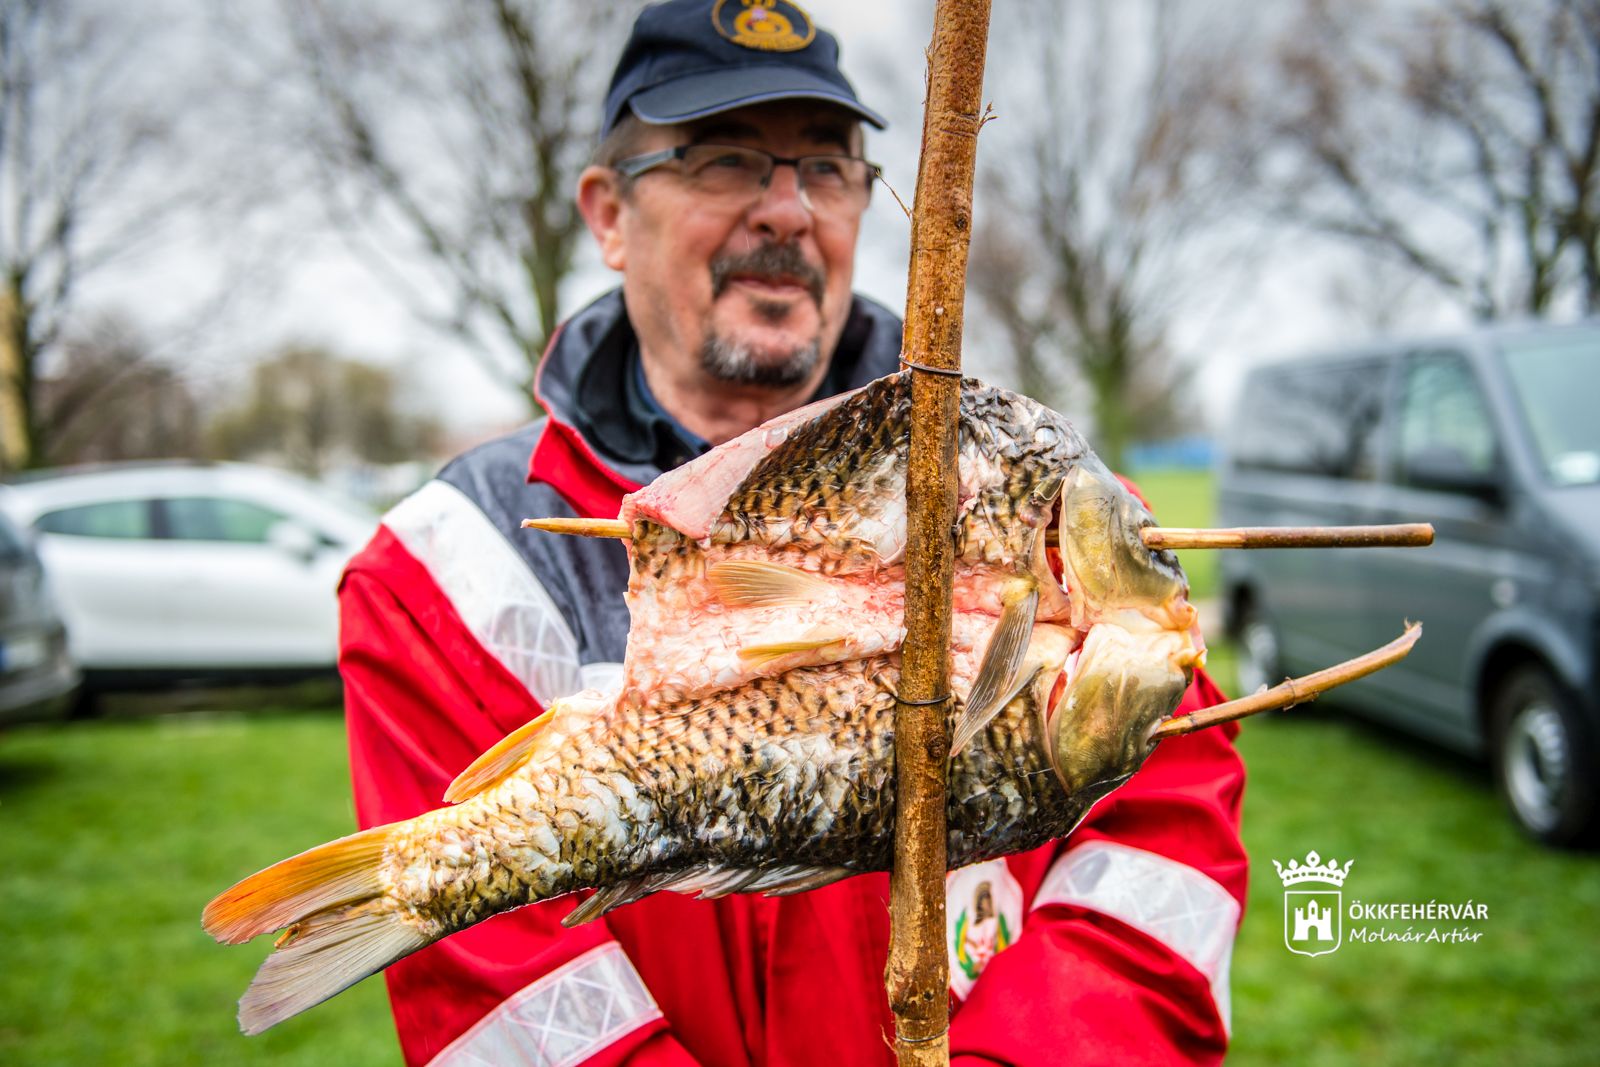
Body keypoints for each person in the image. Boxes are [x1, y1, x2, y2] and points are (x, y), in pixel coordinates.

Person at [339, 2, 1247, 1064]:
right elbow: (496, 993)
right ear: (608, 214)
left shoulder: (1057, 524)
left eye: (827, 166)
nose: (787, 209)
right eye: (723, 159)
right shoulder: (449, 567)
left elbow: (1164, 846)